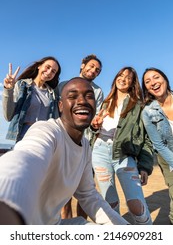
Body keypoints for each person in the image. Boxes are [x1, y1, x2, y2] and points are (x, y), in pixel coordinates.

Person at [0, 77, 129, 225]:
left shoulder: (86, 146)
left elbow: (88, 195)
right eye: (72, 96)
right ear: (60, 106)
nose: (82, 101)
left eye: (89, 96)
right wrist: (6, 200)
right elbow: (26, 157)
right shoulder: (47, 130)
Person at [91, 66, 154, 225]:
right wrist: (94, 126)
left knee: (136, 205)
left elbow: (146, 138)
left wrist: (145, 166)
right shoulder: (105, 102)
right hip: (99, 152)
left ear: (133, 83)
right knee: (109, 204)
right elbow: (93, 129)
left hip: (125, 154)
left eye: (128, 77)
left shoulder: (139, 105)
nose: (123, 79)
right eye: (120, 75)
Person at [58, 54, 104, 219]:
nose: (93, 71)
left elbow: (95, 116)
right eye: (91, 66)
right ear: (82, 65)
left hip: (85, 144)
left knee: (86, 189)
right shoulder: (63, 85)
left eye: (97, 70)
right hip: (64, 142)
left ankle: (81, 227)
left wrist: (95, 124)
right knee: (64, 193)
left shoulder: (98, 91)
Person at [2, 56, 61, 143]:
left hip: (45, 137)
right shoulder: (22, 85)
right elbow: (8, 116)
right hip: (24, 136)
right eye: (47, 67)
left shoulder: (52, 93)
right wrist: (8, 90)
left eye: (53, 71)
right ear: (39, 66)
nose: (49, 72)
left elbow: (56, 120)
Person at [142, 67, 173, 225]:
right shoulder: (147, 112)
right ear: (146, 88)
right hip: (167, 156)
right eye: (148, 81)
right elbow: (158, 144)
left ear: (165, 79)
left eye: (156, 77)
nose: (153, 83)